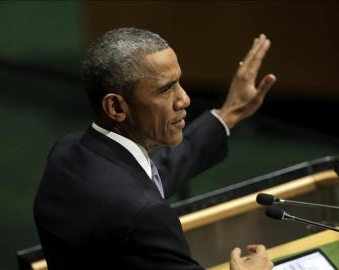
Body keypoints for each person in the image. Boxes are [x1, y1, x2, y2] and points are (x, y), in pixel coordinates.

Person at [34, 27, 276, 270]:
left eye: (178, 82)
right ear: (116, 107)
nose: (184, 99)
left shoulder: (68, 151)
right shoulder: (143, 214)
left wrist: (229, 113)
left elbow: (150, 176)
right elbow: (137, 202)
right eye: (165, 89)